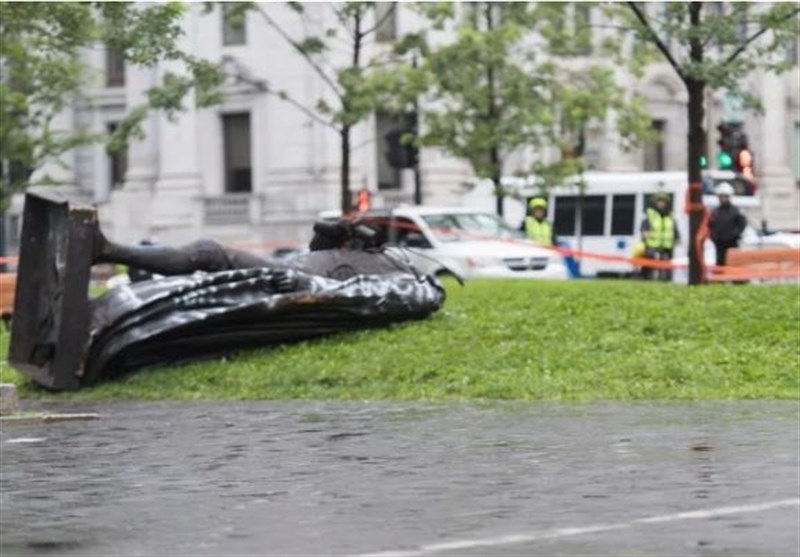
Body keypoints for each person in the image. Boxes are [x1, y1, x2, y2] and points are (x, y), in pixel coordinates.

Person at [639, 191, 680, 281]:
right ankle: (647, 279)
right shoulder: (650, 215)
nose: (661, 204)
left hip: (667, 245)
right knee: (649, 265)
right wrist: (644, 234)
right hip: (652, 244)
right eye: (659, 201)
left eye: (663, 202)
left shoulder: (670, 216)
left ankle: (665, 280)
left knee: (666, 266)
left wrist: (677, 238)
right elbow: (644, 227)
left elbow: (674, 228)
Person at [708, 182, 747, 267]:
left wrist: (734, 235)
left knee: (734, 265)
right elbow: (709, 226)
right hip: (719, 244)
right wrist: (714, 237)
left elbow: (742, 224)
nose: (723, 198)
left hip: (732, 243)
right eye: (721, 196)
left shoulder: (736, 211)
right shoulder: (714, 212)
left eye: (725, 196)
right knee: (720, 264)